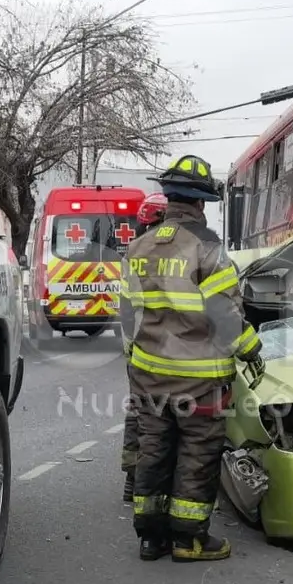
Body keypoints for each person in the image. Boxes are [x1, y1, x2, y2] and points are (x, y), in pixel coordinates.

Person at [119, 155, 264, 562]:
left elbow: (128, 317)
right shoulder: (210, 250)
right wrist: (252, 349)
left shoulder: (138, 247)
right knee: (197, 455)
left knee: (154, 451)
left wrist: (137, 360)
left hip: (149, 377)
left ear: (168, 199)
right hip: (200, 382)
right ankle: (189, 540)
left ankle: (150, 538)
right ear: (201, 204)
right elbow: (225, 317)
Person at [119, 192, 168, 502]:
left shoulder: (133, 254)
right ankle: (156, 483)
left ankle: (132, 481)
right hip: (163, 352)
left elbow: (127, 309)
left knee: (139, 415)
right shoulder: (173, 254)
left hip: (136, 352)